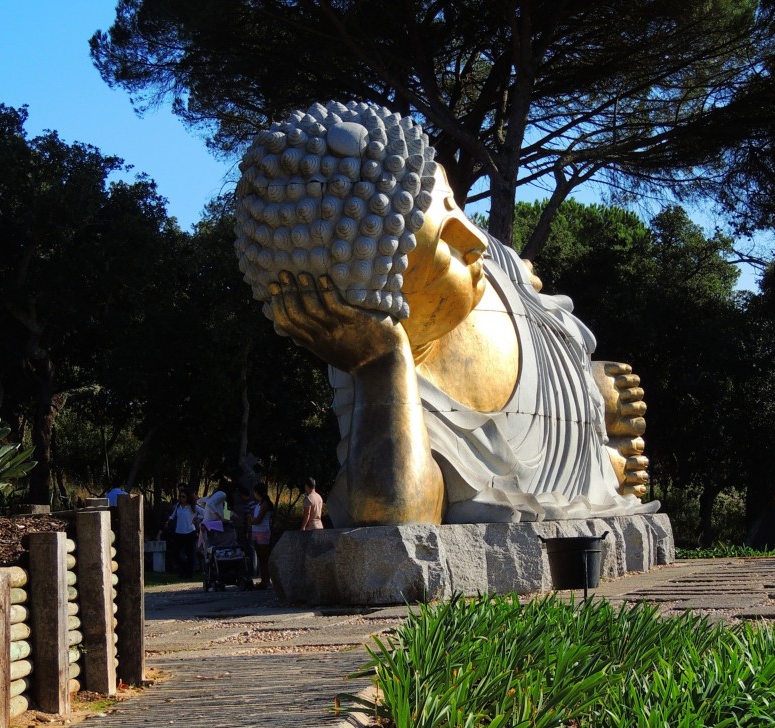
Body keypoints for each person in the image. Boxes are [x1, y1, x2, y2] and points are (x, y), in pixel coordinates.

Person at [235, 101, 660, 527]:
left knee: (589, 377)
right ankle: (601, 468)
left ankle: (591, 428)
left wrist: (521, 280)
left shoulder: (489, 263)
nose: (474, 239)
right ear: (356, 299)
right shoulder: (373, 377)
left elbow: (528, 287)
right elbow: (395, 515)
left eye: (455, 207)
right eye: (447, 240)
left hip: (541, 350)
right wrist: (382, 364)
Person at [163, 488, 200, 578]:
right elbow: (172, 516)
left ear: (187, 498)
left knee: (190, 554)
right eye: (180, 496)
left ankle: (189, 573)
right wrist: (168, 521)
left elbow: (204, 512)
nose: (181, 498)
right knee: (175, 554)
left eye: (183, 496)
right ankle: (184, 569)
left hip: (190, 532)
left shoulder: (193, 507)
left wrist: (197, 517)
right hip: (179, 533)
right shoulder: (177, 506)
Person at [250, 482, 274, 588]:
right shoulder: (258, 504)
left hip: (263, 532)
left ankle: (266, 580)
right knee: (260, 557)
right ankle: (263, 579)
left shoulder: (265, 504)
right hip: (256, 531)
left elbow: (258, 520)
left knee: (264, 557)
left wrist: (251, 520)